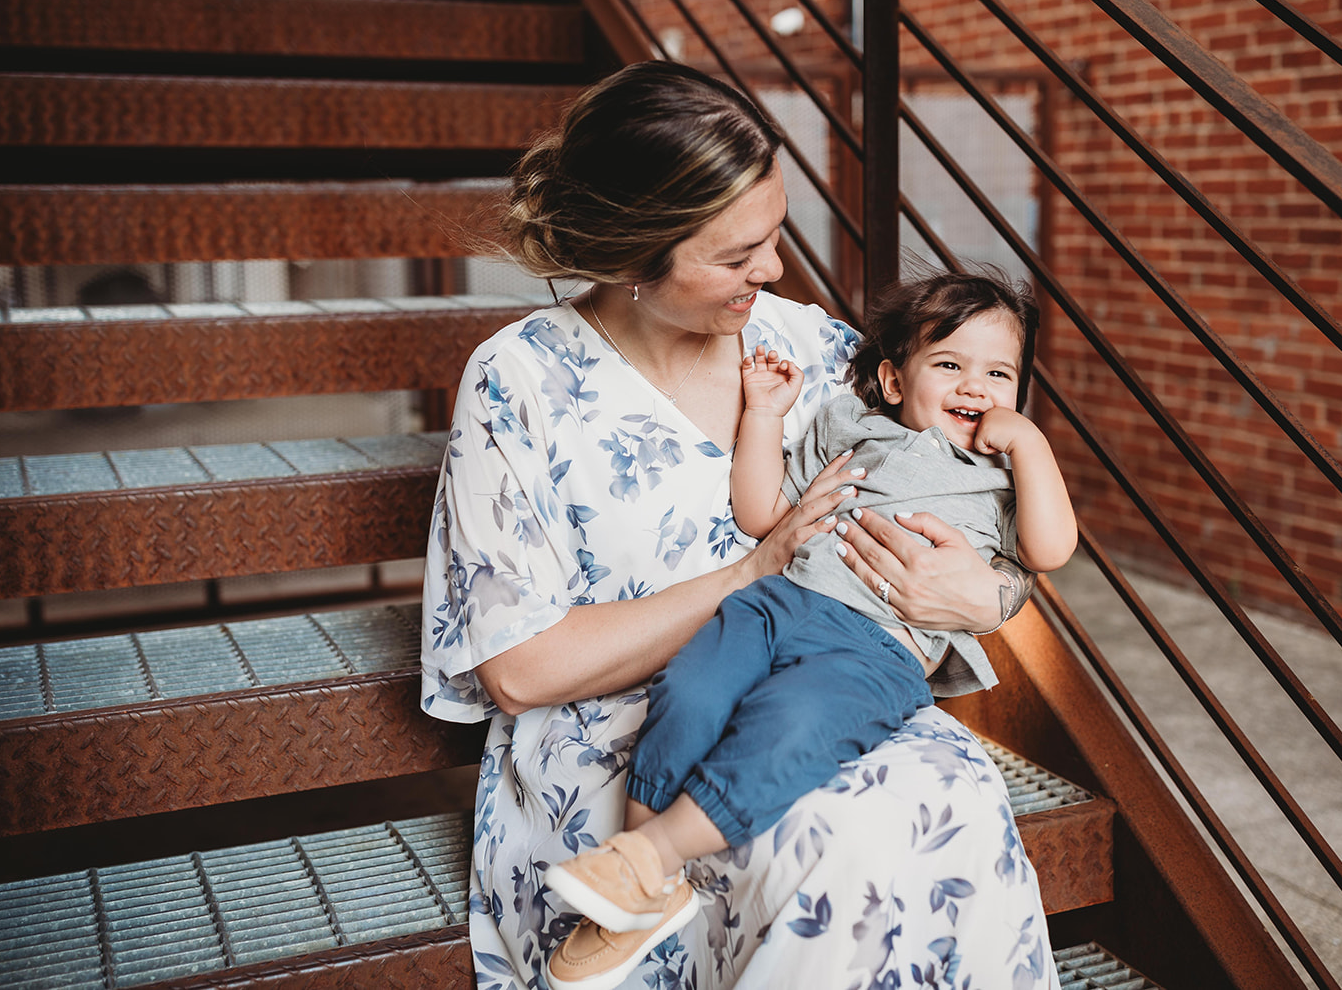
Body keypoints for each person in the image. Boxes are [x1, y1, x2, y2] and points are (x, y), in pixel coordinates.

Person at [421, 60, 1058, 990]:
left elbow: (970, 498)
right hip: (634, 728)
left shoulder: (807, 345)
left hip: (835, 679)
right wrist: (753, 570)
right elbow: (519, 667)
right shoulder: (518, 384)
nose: (774, 269)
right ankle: (637, 880)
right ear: (636, 254)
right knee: (830, 842)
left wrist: (991, 592)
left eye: (773, 235)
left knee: (944, 793)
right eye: (735, 255)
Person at [541, 268, 1076, 989]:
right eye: (949, 364)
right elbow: (762, 512)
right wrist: (762, 414)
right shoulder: (849, 424)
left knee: (788, 724)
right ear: (892, 380)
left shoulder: (1004, 477)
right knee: (693, 687)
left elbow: (1048, 551)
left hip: (877, 646)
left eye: (998, 374)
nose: (975, 387)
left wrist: (1032, 445)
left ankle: (653, 855)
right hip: (779, 603)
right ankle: (636, 879)